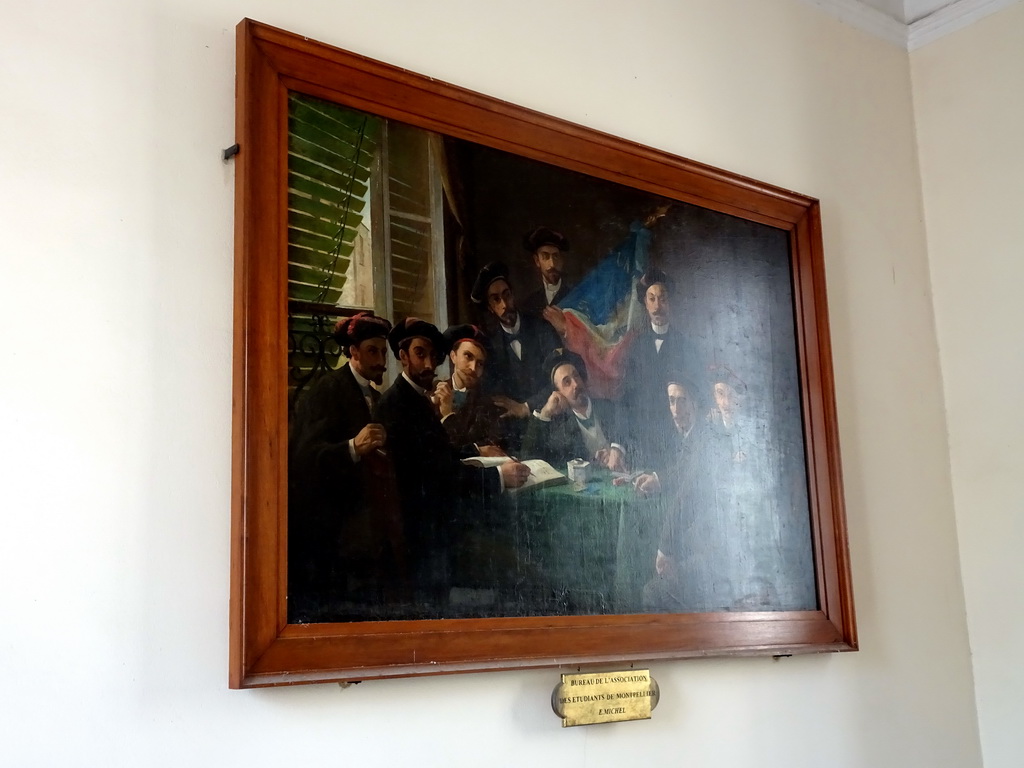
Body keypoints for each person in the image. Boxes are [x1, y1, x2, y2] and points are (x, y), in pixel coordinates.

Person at [375, 317, 531, 605]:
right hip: (424, 530)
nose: (428, 364)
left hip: (432, 517)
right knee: (514, 556)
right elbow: (437, 475)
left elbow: (438, 456)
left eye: (433, 357)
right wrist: (498, 478)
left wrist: (473, 448)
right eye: (420, 354)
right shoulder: (398, 405)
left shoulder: (417, 399)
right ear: (402, 356)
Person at [287, 311, 400, 617]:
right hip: (333, 531)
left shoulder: (374, 397)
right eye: (371, 352)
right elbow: (303, 460)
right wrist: (352, 447)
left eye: (382, 352)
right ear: (353, 352)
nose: (380, 360)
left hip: (368, 526)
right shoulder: (327, 390)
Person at [471, 261, 561, 449]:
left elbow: (559, 379)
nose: (504, 304)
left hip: (552, 423)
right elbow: (495, 397)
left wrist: (526, 406)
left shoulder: (542, 330)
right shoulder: (490, 346)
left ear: (513, 295)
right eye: (496, 300)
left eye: (506, 295)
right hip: (514, 436)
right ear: (490, 307)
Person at [619, 268, 701, 467]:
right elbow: (627, 397)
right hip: (642, 442)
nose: (657, 307)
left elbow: (697, 397)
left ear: (670, 303)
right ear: (645, 304)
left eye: (662, 299)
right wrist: (618, 445)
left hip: (675, 441)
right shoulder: (635, 347)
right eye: (652, 299)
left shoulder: (687, 347)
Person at [524, 348, 628, 473]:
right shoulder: (558, 426)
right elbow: (528, 457)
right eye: (567, 382)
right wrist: (546, 412)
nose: (576, 384)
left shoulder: (608, 407)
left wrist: (617, 449)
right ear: (558, 393)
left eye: (576, 376)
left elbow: (631, 432)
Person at [435, 323, 507, 456]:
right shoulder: (431, 393)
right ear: (453, 356)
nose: (473, 368)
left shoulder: (488, 405)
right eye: (468, 356)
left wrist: (447, 414)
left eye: (480, 363)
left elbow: (489, 450)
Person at [519, 226, 572, 318]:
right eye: (545, 256)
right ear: (537, 261)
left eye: (555, 256)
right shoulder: (529, 305)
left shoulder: (575, 296)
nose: (552, 264)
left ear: (562, 260)